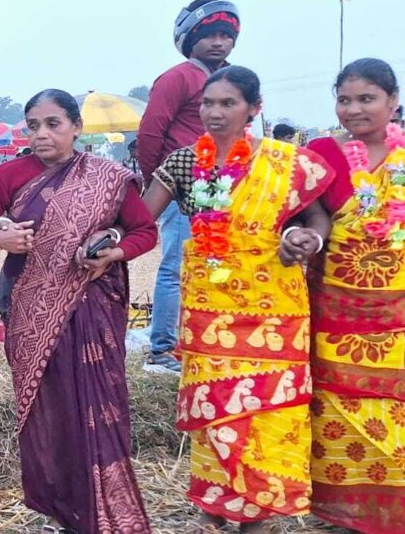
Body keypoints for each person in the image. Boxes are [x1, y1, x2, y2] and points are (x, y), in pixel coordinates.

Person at [143, 66, 333, 533]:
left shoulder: (286, 162)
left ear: (254, 108)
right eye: (208, 103)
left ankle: (259, 513)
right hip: (209, 310)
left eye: (228, 103)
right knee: (214, 405)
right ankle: (213, 506)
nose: (215, 112)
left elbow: (317, 218)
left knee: (269, 411)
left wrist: (308, 240)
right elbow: (141, 218)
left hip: (275, 309)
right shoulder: (185, 162)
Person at [0, 89, 156, 533]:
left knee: (97, 403)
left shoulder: (108, 176)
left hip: (93, 307)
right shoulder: (10, 174)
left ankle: (103, 508)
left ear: (76, 127)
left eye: (53, 124)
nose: (41, 134)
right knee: (51, 408)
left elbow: (145, 231)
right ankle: (63, 509)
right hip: (30, 310)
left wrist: (113, 249)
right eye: (33, 126)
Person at [305, 58, 405, 534]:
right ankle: (346, 513)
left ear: (393, 102)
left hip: (398, 313)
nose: (353, 109)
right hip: (336, 309)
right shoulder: (322, 154)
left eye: (367, 98)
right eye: (344, 99)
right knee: (337, 412)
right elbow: (307, 217)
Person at [136, 0, 241, 375]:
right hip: (182, 188)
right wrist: (160, 183)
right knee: (176, 268)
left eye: (226, 36)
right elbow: (150, 133)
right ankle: (162, 350)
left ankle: (200, 339)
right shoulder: (179, 77)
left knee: (213, 263)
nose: (219, 43)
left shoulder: (228, 80)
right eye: (210, 35)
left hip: (220, 189)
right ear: (190, 38)